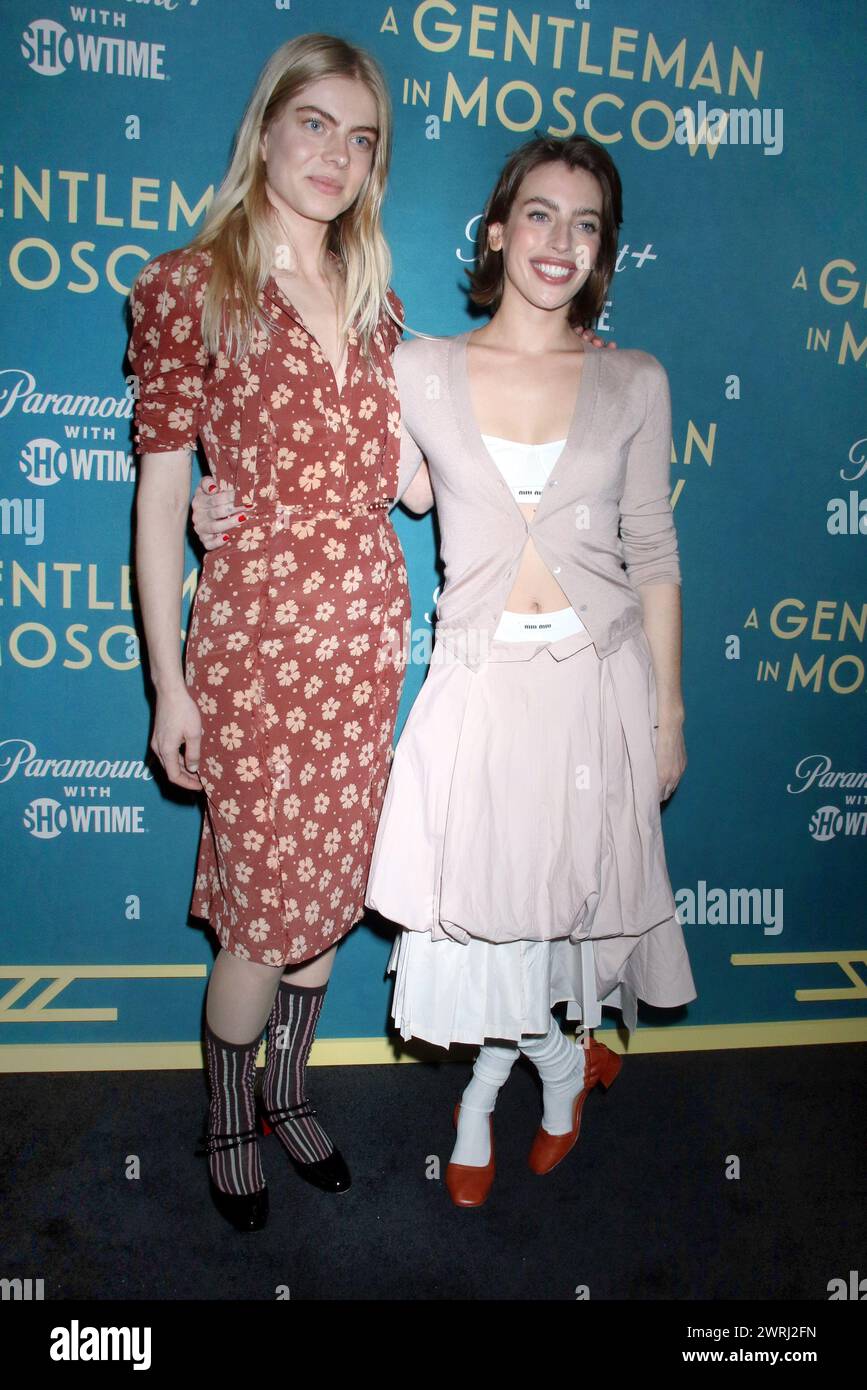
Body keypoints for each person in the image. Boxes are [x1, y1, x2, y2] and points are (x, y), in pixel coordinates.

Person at [128, 32, 431, 1232]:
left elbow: (412, 483)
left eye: (361, 140)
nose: (337, 156)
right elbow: (161, 497)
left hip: (363, 639)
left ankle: (292, 1091)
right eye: (316, 124)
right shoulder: (187, 284)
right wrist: (169, 685)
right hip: (255, 643)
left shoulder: (380, 303)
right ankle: (226, 1111)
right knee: (263, 909)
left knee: (330, 894)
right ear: (266, 128)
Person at [363, 133, 697, 1207]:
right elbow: (378, 487)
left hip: (600, 686)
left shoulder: (634, 380)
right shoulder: (422, 367)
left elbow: (652, 549)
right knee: (487, 924)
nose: (561, 240)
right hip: (482, 689)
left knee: (558, 927)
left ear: (603, 251)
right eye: (540, 214)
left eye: (586, 222)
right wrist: (224, 505)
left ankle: (496, 1097)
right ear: (499, 230)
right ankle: (557, 1071)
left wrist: (670, 713)